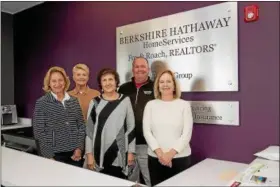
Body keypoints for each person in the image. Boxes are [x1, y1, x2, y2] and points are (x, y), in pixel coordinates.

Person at [143, 69, 193, 186]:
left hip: (180, 159)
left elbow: (186, 134)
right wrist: (161, 155)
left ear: (174, 85)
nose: (165, 85)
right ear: (158, 86)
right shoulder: (150, 105)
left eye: (168, 81)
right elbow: (147, 132)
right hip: (156, 159)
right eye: (161, 82)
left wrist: (169, 155)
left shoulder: (184, 105)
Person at [85, 68, 135, 179]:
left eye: (111, 79)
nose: (108, 83)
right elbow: (89, 131)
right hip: (99, 153)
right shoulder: (94, 102)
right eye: (104, 80)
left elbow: (131, 128)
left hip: (120, 153)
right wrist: (89, 155)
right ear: (100, 84)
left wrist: (131, 152)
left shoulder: (125, 100)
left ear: (116, 82)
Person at [32, 66, 86, 167]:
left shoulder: (74, 100)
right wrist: (49, 156)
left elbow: (81, 126)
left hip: (75, 155)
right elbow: (39, 132)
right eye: (54, 81)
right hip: (54, 155)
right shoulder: (42, 102)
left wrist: (79, 149)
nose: (57, 84)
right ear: (49, 83)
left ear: (65, 81)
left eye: (60, 80)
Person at [118, 57, 154, 186]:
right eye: (137, 66)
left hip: (148, 144)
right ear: (132, 69)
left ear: (148, 69)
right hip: (128, 144)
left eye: (143, 66)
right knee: (130, 181)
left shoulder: (155, 87)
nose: (140, 69)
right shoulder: (123, 88)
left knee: (150, 179)